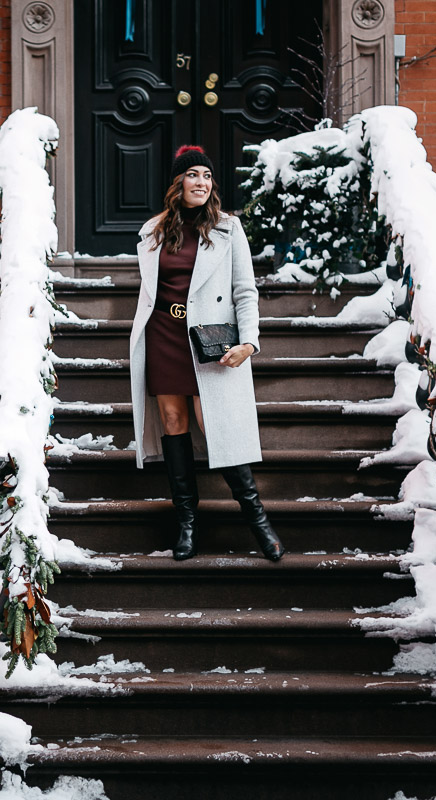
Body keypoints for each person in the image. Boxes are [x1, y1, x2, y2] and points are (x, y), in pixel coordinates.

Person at [129, 145, 285, 562]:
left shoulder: (227, 229)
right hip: (163, 332)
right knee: (173, 420)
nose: (201, 182)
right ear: (177, 182)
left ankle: (258, 521)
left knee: (215, 422)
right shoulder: (154, 232)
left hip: (207, 340)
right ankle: (187, 524)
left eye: (207, 176)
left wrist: (249, 341)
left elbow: (244, 291)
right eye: (192, 175)